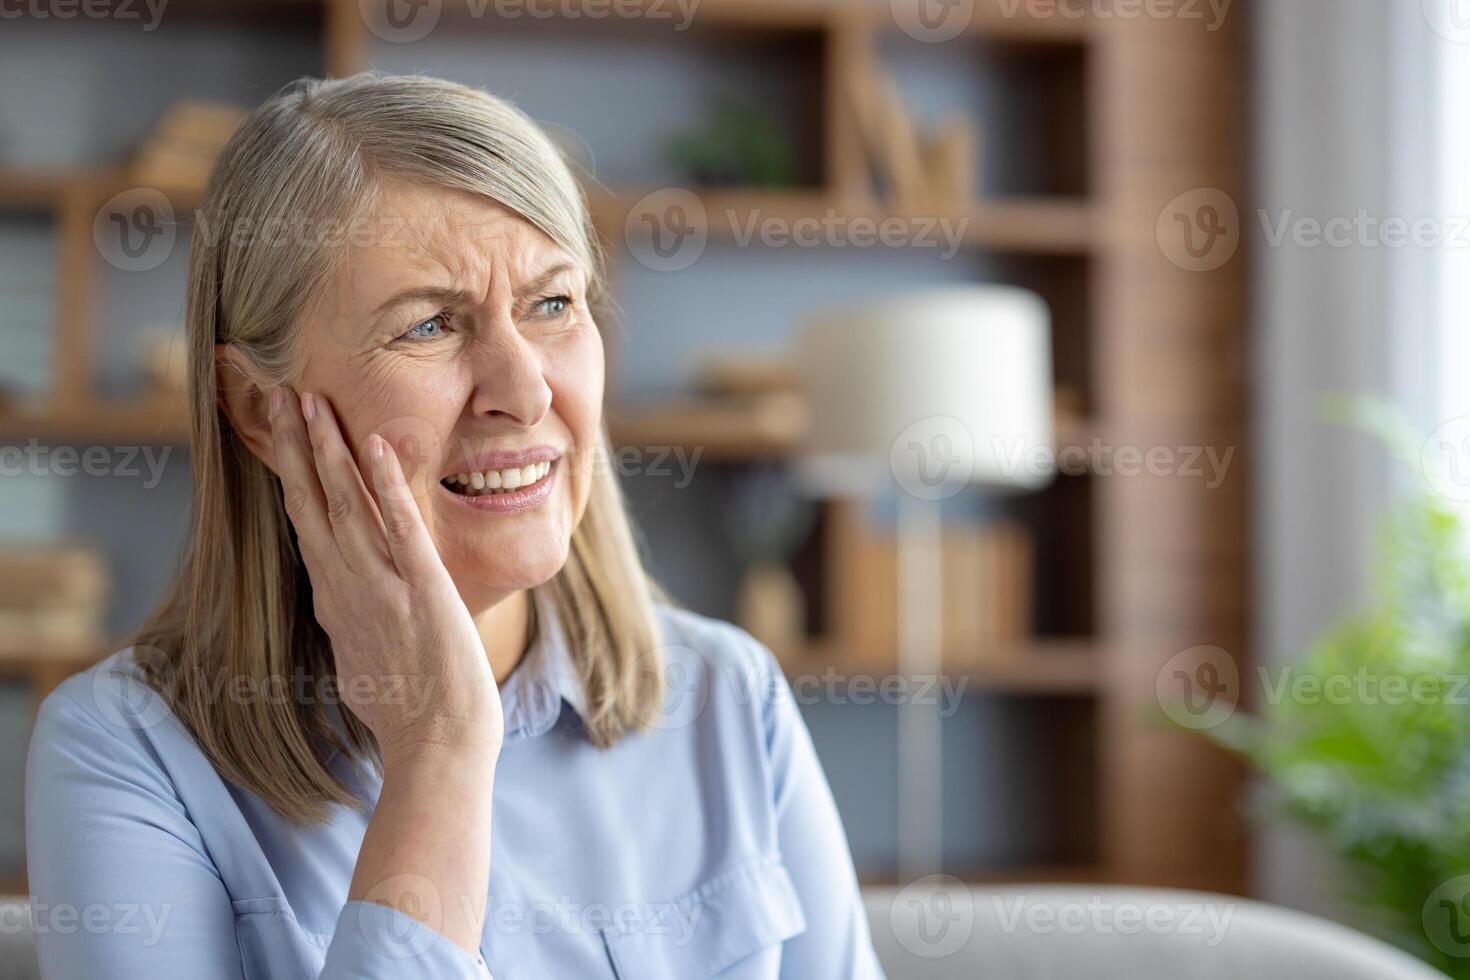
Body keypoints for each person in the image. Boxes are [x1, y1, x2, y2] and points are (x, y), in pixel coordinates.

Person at [25, 72, 885, 979]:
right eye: (432, 325)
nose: (525, 392)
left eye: (552, 304)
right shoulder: (126, 753)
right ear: (255, 409)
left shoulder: (729, 699)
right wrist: (437, 754)